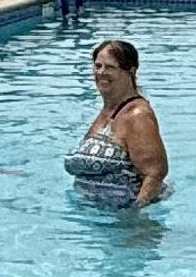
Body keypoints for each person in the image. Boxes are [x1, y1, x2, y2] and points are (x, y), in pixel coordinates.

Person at [65, 39, 170, 206]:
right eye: (98, 66)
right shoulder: (108, 111)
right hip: (97, 218)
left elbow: (155, 174)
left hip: (124, 221)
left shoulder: (137, 115)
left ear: (131, 71)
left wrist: (135, 216)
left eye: (110, 67)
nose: (101, 72)